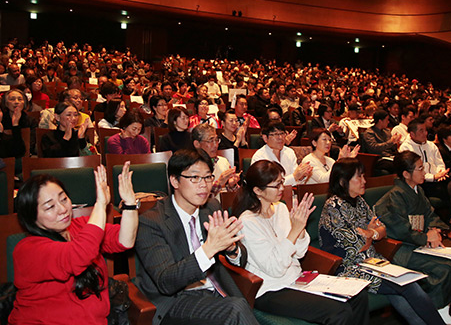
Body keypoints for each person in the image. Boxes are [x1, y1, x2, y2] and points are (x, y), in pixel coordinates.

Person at [233, 160, 370, 325]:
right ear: (257, 191)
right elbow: (275, 268)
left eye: (282, 182)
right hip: (271, 289)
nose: (282, 188)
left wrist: (300, 228)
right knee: (340, 312)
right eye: (276, 185)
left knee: (359, 296)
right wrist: (294, 231)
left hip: (295, 279)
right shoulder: (247, 221)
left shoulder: (280, 208)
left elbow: (300, 252)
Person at [134, 149, 258, 325]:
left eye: (208, 177)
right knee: (235, 309)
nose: (204, 185)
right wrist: (208, 249)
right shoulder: (151, 222)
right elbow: (166, 281)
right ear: (175, 181)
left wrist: (232, 249)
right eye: (195, 178)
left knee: (237, 307)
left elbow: (240, 259)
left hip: (216, 290)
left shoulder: (211, 208)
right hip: (177, 299)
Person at [319, 157, 446, 325]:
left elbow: (382, 229)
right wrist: (371, 234)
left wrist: (370, 233)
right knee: (408, 286)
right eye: (359, 177)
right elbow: (358, 246)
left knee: (404, 285)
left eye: (364, 176)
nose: (364, 181)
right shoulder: (333, 206)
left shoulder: (359, 201)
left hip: (372, 262)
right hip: (347, 268)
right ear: (343, 182)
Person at [9, 162, 138, 325]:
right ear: (32, 217)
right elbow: (80, 254)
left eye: (64, 199)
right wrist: (100, 205)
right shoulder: (28, 250)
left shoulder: (80, 226)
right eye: (50, 207)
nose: (63, 209)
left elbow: (125, 240)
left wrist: (130, 203)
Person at [375, 152, 451, 324]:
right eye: (420, 169)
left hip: (418, 242)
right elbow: (400, 229)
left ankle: (444, 310)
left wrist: (434, 229)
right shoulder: (395, 196)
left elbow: (430, 214)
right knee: (443, 269)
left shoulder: (419, 191)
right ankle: (435, 312)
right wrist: (425, 237)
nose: (424, 172)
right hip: (402, 248)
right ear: (406, 174)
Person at [399, 119, 451, 227]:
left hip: (438, 178)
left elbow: (440, 163)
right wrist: (433, 177)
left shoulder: (431, 145)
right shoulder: (406, 148)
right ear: (412, 134)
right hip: (422, 182)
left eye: (425, 130)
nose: (425, 133)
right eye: (421, 131)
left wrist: (440, 173)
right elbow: (413, 172)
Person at [251, 121, 312, 186]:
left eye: (282, 133)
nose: (280, 137)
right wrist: (294, 177)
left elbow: (296, 181)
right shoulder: (259, 157)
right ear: (265, 138)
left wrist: (301, 176)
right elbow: (267, 185)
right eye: (275, 134)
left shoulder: (289, 152)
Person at [192, 123, 240, 199]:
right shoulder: (192, 166)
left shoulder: (223, 161)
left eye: (217, 140)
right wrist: (219, 183)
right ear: (197, 144)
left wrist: (231, 185)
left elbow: (234, 197)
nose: (215, 145)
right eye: (210, 141)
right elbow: (198, 197)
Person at [1, 89, 36, 155]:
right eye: (12, 99)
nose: (16, 102)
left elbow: (31, 144)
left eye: (20, 99)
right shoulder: (1, 120)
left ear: (24, 103)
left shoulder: (31, 121)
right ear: (6, 103)